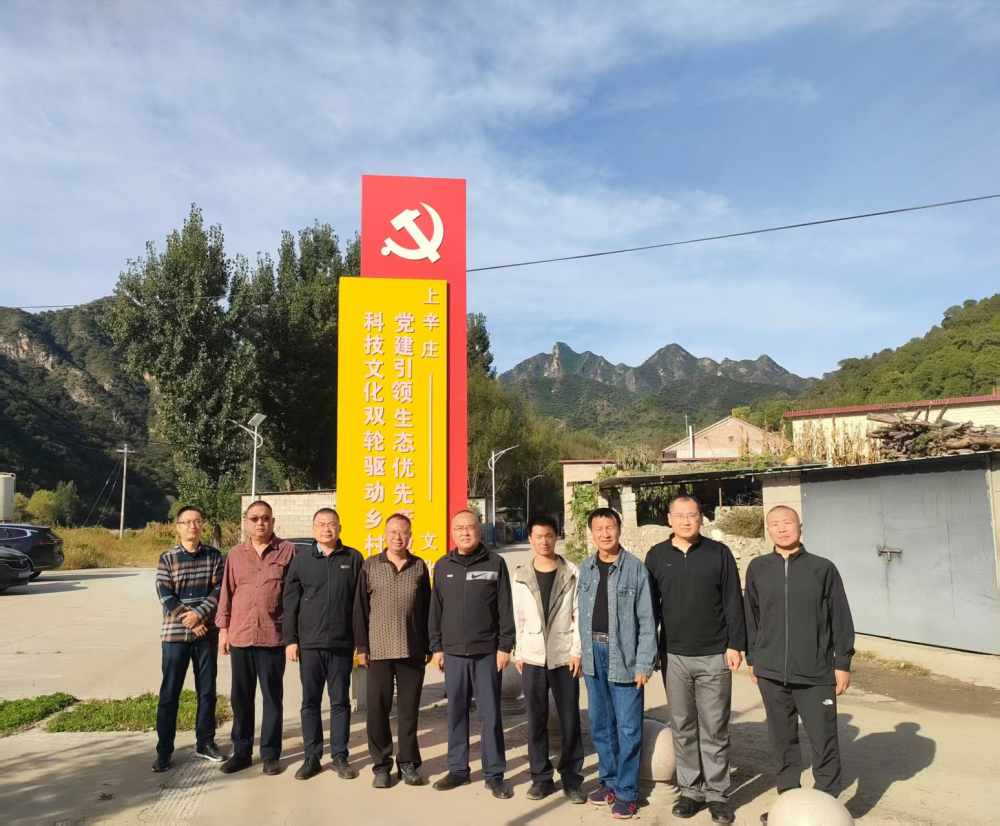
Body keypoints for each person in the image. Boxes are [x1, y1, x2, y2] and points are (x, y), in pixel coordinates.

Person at [745, 506, 856, 825]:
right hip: (770, 673)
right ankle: (790, 806)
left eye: (788, 523)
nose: (782, 529)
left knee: (824, 741)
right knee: (783, 742)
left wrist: (842, 662)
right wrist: (753, 658)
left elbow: (840, 617)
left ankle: (825, 807)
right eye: (775, 524)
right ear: (768, 530)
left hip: (816, 674)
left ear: (800, 527)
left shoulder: (822, 568)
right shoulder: (758, 567)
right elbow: (751, 617)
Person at [645, 495, 746, 824]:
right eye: (680, 515)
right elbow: (650, 609)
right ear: (669, 519)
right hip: (674, 656)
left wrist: (735, 644)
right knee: (683, 726)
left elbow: (733, 601)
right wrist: (651, 651)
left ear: (702, 518)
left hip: (715, 654)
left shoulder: (719, 553)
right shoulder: (657, 556)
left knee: (715, 728)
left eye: (692, 515)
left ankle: (717, 794)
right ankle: (691, 791)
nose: (686, 521)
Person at [428, 509, 516, 799]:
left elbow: (505, 608)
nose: (465, 533)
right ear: (452, 533)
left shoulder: (495, 563)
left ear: (480, 531)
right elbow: (436, 609)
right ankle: (458, 769)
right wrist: (436, 647)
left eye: (471, 528)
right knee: (456, 713)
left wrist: (505, 646)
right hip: (453, 654)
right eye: (459, 528)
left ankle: (494, 774)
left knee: (490, 715)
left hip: (487, 653)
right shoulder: (443, 565)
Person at [577, 507, 657, 820]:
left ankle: (626, 792)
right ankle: (608, 782)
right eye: (599, 529)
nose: (605, 534)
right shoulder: (586, 568)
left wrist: (644, 663)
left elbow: (647, 620)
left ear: (619, 529)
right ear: (592, 533)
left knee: (628, 727)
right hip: (592, 654)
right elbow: (578, 613)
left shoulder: (635, 569)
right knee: (600, 724)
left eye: (610, 527)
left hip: (624, 654)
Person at [216, 500, 297, 775]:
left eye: (265, 518)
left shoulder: (288, 551)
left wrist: (293, 636)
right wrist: (223, 630)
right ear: (246, 523)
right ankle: (241, 752)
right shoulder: (235, 554)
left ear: (273, 522)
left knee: (272, 698)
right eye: (254, 518)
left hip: (273, 636)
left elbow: (293, 596)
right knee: (241, 698)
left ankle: (271, 754)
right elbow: (226, 593)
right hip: (240, 636)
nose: (260, 523)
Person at [283, 508, 364, 781]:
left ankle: (340, 756)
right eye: (321, 524)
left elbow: (360, 603)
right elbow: (290, 602)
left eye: (331, 524)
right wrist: (291, 640)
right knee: (310, 702)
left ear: (340, 528)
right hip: (310, 644)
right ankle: (312, 757)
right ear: (313, 528)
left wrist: (360, 641)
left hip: (342, 643)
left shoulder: (353, 558)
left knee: (340, 701)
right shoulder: (301, 560)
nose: (326, 529)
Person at [512, 514, 586, 804]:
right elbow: (518, 617)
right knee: (536, 720)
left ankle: (572, 778)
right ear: (530, 539)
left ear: (556, 537)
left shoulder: (571, 572)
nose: (544, 541)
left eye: (549, 536)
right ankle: (541, 777)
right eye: (538, 536)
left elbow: (579, 615)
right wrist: (519, 652)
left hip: (564, 655)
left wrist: (577, 651)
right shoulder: (521, 574)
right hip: (532, 656)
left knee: (569, 719)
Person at [353, 513, 431, 788]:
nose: (398, 537)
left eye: (403, 532)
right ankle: (381, 766)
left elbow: (427, 610)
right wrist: (362, 646)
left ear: (410, 535)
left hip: (412, 650)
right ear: (384, 535)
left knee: (409, 712)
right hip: (378, 651)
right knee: (377, 711)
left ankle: (408, 763)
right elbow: (360, 609)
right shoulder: (370, 565)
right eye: (393, 532)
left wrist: (429, 645)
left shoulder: (419, 566)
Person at [152, 506, 226, 772]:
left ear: (202, 525)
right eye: (187, 522)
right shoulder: (167, 558)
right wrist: (189, 619)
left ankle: (205, 742)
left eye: (197, 521)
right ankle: (164, 751)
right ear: (178, 527)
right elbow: (164, 593)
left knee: (207, 691)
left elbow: (220, 589)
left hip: (206, 634)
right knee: (169, 693)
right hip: (175, 636)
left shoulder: (214, 556)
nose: (192, 526)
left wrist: (199, 615)